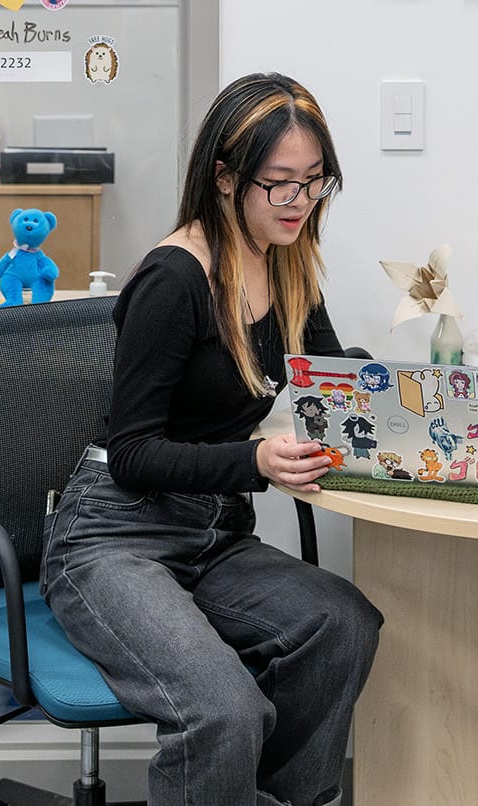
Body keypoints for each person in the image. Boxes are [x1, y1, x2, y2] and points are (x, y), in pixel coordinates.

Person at [42, 73, 382, 806]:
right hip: (113, 537)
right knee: (223, 711)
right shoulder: (176, 278)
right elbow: (133, 455)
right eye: (281, 184)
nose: (299, 203)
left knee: (342, 625)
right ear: (226, 177)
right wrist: (255, 460)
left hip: (213, 533)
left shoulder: (285, 259)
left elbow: (320, 372)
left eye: (315, 183)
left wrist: (401, 388)